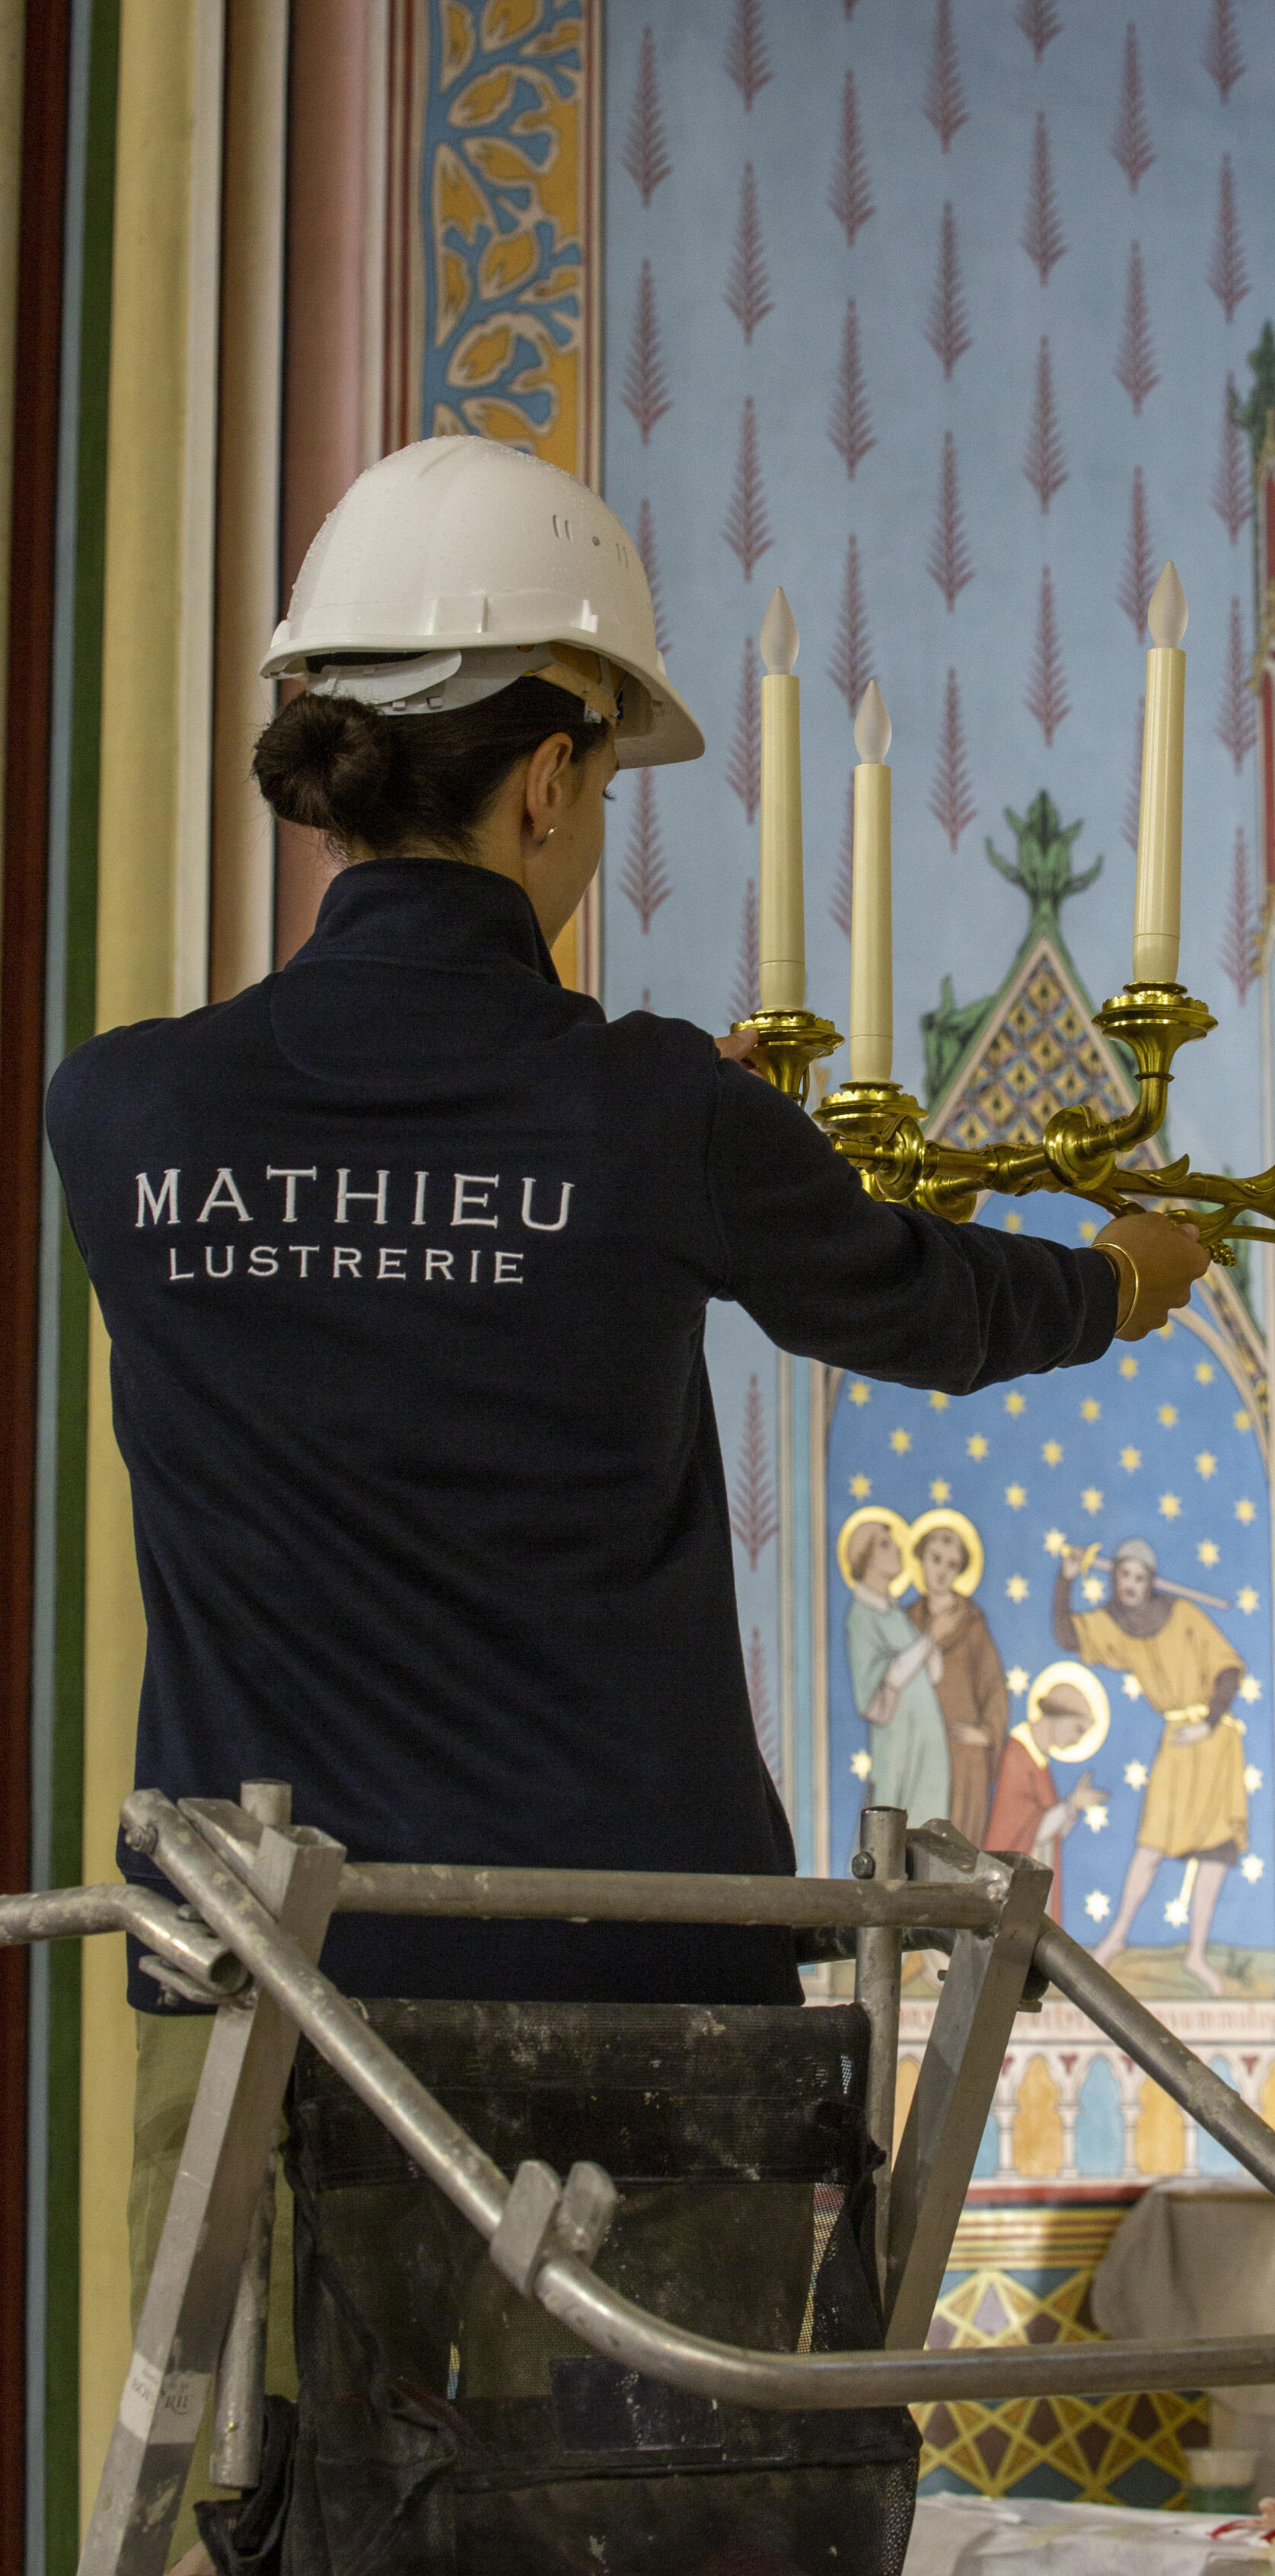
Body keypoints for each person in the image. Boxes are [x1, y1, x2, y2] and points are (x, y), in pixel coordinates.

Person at [45, 440, 1210, 2567]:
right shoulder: (651, 1112)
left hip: (270, 2013)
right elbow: (937, 1309)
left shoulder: (122, 1115)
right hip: (647, 2005)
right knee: (679, 2522)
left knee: (268, 2513)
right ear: (553, 782)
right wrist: (1130, 1278)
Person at [1054, 1537, 1246, 1995]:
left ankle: (1196, 1953)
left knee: (1215, 1852)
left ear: (1151, 1582)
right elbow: (1067, 1635)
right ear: (1114, 1578)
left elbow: (1229, 1670)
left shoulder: (1184, 1616)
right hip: (1176, 1744)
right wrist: (1065, 1580)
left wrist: (1209, 1722)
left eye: (1140, 1578)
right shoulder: (1116, 1627)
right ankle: (1117, 1937)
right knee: (1152, 1843)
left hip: (1212, 1741)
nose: (1132, 1586)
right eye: (1125, 1576)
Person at [840, 1512, 951, 1829]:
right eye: (886, 1545)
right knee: (890, 1835)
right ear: (867, 1558)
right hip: (898, 1745)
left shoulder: (893, 1611)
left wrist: (931, 1646)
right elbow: (879, 1685)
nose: (898, 1550)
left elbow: (928, 1676)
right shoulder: (861, 1616)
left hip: (924, 1743)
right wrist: (930, 1639)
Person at [904, 1512, 1008, 1843]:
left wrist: (987, 1733)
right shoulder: (906, 1622)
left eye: (952, 1564)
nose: (942, 1570)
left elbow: (993, 1686)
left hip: (963, 1751)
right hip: (920, 1751)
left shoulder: (973, 1624)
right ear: (920, 1557)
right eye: (936, 1559)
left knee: (959, 1850)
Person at [985, 1675, 1108, 1918]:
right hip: (1011, 1884)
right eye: (1078, 1728)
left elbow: (1049, 1832)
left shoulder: (1039, 1762)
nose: (1078, 1739)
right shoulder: (1017, 1756)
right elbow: (1023, 1830)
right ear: (1057, 1715)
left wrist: (1071, 1807)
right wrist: (1071, 1804)